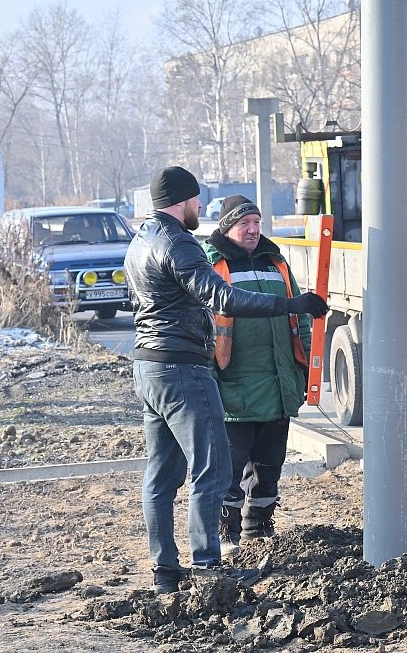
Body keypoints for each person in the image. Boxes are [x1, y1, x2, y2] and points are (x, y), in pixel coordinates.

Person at [124, 166, 327, 594]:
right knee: (212, 470)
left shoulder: (140, 241)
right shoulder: (178, 243)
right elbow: (223, 297)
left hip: (148, 366)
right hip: (182, 367)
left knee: (161, 477)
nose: (201, 209)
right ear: (184, 199)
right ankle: (207, 567)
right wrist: (291, 304)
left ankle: (165, 573)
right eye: (197, 200)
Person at [202, 195, 312, 556]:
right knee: (229, 469)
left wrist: (303, 367)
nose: (252, 230)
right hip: (232, 387)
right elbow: (204, 327)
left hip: (277, 384)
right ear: (226, 227)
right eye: (244, 223)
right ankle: (227, 535)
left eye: (257, 223)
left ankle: (259, 527)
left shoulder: (275, 262)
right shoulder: (212, 264)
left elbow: (300, 320)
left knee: (269, 465)